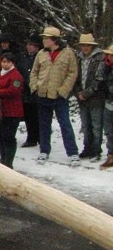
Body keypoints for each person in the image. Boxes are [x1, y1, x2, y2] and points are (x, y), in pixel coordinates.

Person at [30, 26, 79, 166]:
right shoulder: (41, 54)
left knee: (65, 124)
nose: (44, 40)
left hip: (59, 96)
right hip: (42, 94)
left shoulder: (67, 53)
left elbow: (72, 73)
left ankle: (72, 152)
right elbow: (34, 72)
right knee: (44, 125)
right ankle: (44, 150)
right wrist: (35, 86)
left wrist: (64, 90)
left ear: (54, 40)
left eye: (46, 38)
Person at [0, 53, 24, 169]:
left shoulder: (16, 75)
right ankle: (3, 159)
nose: (5, 64)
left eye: (8, 62)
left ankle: (8, 162)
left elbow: (14, 90)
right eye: (3, 62)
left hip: (11, 111)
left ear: (13, 63)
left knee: (8, 136)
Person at [74, 33, 106, 162]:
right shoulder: (78, 59)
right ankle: (87, 148)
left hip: (96, 97)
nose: (85, 48)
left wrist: (86, 93)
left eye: (88, 45)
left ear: (92, 46)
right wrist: (78, 93)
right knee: (85, 125)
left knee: (96, 125)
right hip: (82, 96)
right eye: (83, 45)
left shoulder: (100, 59)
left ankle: (96, 150)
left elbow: (99, 79)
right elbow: (75, 77)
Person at [18, 34, 41, 147]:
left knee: (39, 116)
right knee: (28, 116)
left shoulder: (40, 57)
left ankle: (41, 138)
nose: (29, 47)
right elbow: (18, 73)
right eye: (28, 45)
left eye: (32, 45)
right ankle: (31, 138)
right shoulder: (23, 57)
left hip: (37, 90)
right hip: (25, 90)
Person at [100, 42, 113, 170]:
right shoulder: (106, 68)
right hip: (109, 104)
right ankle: (111, 155)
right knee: (109, 132)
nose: (109, 58)